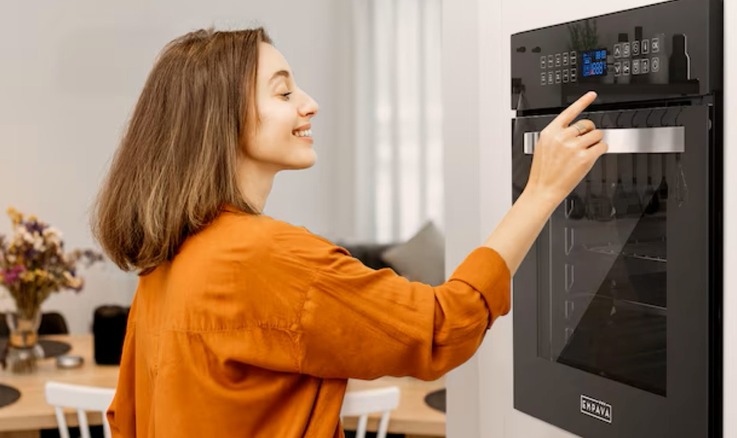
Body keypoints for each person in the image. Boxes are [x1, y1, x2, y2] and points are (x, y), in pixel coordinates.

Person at [92, 27, 606, 438]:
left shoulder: (163, 266)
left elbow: (127, 420)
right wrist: (540, 192)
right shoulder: (266, 255)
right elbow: (439, 329)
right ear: (220, 119)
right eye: (284, 91)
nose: (309, 103)